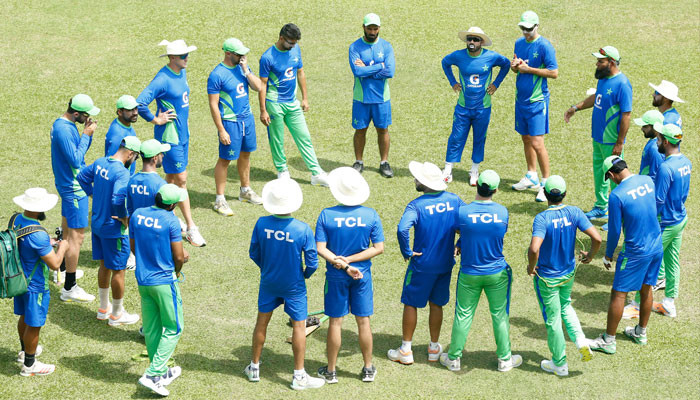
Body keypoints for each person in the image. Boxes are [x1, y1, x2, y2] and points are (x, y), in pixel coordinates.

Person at [246, 178, 325, 390]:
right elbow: (313, 263)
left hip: (269, 282)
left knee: (261, 323)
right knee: (299, 326)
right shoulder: (302, 229)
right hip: (294, 285)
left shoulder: (261, 223)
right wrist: (304, 275)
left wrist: (266, 269)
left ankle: (254, 367)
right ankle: (299, 376)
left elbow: (254, 253)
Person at [440, 170, 522, 372]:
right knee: (499, 315)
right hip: (497, 274)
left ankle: (453, 359)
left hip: (469, 274)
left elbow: (464, 230)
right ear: (495, 190)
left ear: (477, 185)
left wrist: (460, 241)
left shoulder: (463, 213)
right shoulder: (503, 212)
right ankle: (504, 360)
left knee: (463, 315)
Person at [389, 161, 464, 365]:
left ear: (424, 183)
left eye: (417, 178)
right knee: (437, 304)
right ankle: (433, 348)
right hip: (445, 264)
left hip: (421, 265)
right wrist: (460, 243)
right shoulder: (454, 200)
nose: (415, 179)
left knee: (411, 303)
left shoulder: (416, 205)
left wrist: (406, 251)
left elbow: (402, 229)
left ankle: (406, 350)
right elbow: (470, 223)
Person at [527, 176, 602, 376]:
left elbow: (535, 248)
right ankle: (580, 341)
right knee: (566, 306)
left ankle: (559, 364)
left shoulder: (542, 219)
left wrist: (530, 266)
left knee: (552, 320)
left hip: (547, 278)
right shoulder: (575, 212)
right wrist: (590, 256)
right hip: (568, 273)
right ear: (565, 194)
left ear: (544, 194)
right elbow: (597, 237)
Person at [315, 167, 384, 383]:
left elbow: (320, 248)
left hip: (336, 276)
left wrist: (340, 261)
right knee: (363, 322)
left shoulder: (327, 214)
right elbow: (378, 248)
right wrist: (352, 261)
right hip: (361, 276)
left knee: (335, 322)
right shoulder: (370, 215)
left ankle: (331, 371)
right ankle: (368, 369)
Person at [588, 156, 663, 354]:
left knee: (618, 293)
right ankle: (640, 332)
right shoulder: (647, 181)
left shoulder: (617, 195)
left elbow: (614, 231)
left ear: (612, 174)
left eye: (609, 178)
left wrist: (608, 254)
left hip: (635, 251)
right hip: (656, 246)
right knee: (646, 289)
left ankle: (609, 341)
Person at [137, 39, 206, 247]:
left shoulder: (181, 71)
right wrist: (155, 119)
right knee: (182, 180)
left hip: (182, 134)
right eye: (183, 56)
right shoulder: (162, 79)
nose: (187, 58)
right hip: (170, 137)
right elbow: (140, 102)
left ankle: (167, 213)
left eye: (187, 55)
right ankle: (191, 227)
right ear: (172, 58)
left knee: (171, 177)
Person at [130, 184, 189, 397]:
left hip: (143, 280)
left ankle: (161, 372)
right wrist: (177, 266)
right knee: (174, 328)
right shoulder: (171, 220)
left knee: (153, 328)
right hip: (164, 281)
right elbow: (179, 256)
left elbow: (133, 246)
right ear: (171, 204)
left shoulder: (137, 215)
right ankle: (153, 373)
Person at [564, 46, 632, 230]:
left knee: (615, 179)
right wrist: (575, 108)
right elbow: (596, 98)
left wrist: (620, 142)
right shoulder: (604, 78)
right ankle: (601, 207)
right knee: (599, 174)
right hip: (598, 138)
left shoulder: (623, 84)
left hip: (612, 142)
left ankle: (618, 217)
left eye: (600, 61)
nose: (597, 64)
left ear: (611, 62)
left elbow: (626, 115)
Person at [78, 136, 142, 326]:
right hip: (113, 230)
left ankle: (103, 309)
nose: (134, 161)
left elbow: (81, 177)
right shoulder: (122, 173)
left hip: (97, 224)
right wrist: (123, 216)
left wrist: (94, 194)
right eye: (135, 157)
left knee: (104, 265)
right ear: (130, 153)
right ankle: (116, 315)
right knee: (119, 271)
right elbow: (117, 199)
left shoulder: (100, 162)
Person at [258, 23, 329, 186]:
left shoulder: (295, 50)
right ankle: (282, 171)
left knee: (304, 137)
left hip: (292, 102)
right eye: (291, 42)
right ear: (281, 38)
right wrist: (263, 110)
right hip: (274, 103)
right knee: (277, 139)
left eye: (295, 42)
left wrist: (305, 98)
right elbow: (262, 84)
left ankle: (316, 173)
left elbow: (300, 72)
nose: (293, 45)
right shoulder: (267, 57)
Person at [441, 27, 509, 185]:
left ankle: (474, 171)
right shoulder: (458, 55)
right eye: (469, 39)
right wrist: (453, 82)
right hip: (463, 107)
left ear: (482, 42)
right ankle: (448, 170)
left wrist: (496, 84)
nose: (472, 42)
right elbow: (445, 63)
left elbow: (506, 65)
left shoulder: (491, 56)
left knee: (479, 139)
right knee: (456, 137)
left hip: (483, 108)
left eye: (476, 39)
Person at [12, 188, 69, 376]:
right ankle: (29, 365)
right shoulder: (38, 234)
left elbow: (26, 244)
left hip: (19, 280)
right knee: (34, 324)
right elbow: (55, 264)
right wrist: (63, 247)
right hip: (35, 286)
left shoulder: (16, 220)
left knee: (24, 318)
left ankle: (24, 352)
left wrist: (49, 243)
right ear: (39, 209)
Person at [208, 37, 264, 216]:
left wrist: (246, 70)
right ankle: (219, 199)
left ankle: (245, 190)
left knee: (246, 155)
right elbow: (213, 104)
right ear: (228, 53)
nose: (242, 57)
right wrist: (221, 129)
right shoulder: (217, 74)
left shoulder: (242, 68)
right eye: (239, 54)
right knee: (225, 160)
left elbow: (259, 87)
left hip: (247, 120)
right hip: (230, 123)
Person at [50, 94, 97, 303]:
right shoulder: (64, 130)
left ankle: (61, 268)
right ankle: (69, 287)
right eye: (86, 115)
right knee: (76, 238)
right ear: (76, 113)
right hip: (74, 189)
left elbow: (79, 153)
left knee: (68, 231)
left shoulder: (64, 125)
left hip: (69, 186)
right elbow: (77, 159)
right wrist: (86, 134)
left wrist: (87, 134)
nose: (89, 119)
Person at [510, 11, 558, 202]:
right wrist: (515, 66)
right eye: (523, 28)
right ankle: (531, 175)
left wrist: (528, 69)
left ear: (536, 27)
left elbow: (554, 72)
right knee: (526, 139)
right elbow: (516, 68)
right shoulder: (519, 43)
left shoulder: (545, 45)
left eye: (529, 29)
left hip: (537, 101)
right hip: (520, 99)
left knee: (537, 142)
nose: (526, 32)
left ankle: (546, 183)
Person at [650, 123, 691, 318]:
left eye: (658, 139)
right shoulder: (686, 162)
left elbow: (658, 199)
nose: (656, 141)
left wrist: (648, 221)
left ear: (666, 141)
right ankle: (669, 303)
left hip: (666, 222)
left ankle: (636, 304)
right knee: (672, 261)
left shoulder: (666, 168)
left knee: (648, 260)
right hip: (680, 218)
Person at [348, 13, 396, 178]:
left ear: (379, 28)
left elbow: (390, 71)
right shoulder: (354, 47)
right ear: (363, 27)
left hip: (382, 98)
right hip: (361, 98)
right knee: (360, 130)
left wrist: (368, 70)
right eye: (370, 28)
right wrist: (379, 66)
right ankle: (359, 161)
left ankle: (384, 163)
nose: (373, 31)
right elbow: (357, 71)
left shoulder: (386, 46)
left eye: (375, 28)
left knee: (383, 130)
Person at [127, 139, 171, 216]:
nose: (163, 155)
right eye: (161, 153)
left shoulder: (132, 180)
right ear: (155, 158)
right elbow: (166, 215)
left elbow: (129, 209)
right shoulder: (161, 184)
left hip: (135, 225)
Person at [105, 95, 139, 175]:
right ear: (120, 112)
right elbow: (112, 164)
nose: (135, 113)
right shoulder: (118, 136)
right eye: (130, 110)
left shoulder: (123, 124)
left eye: (136, 108)